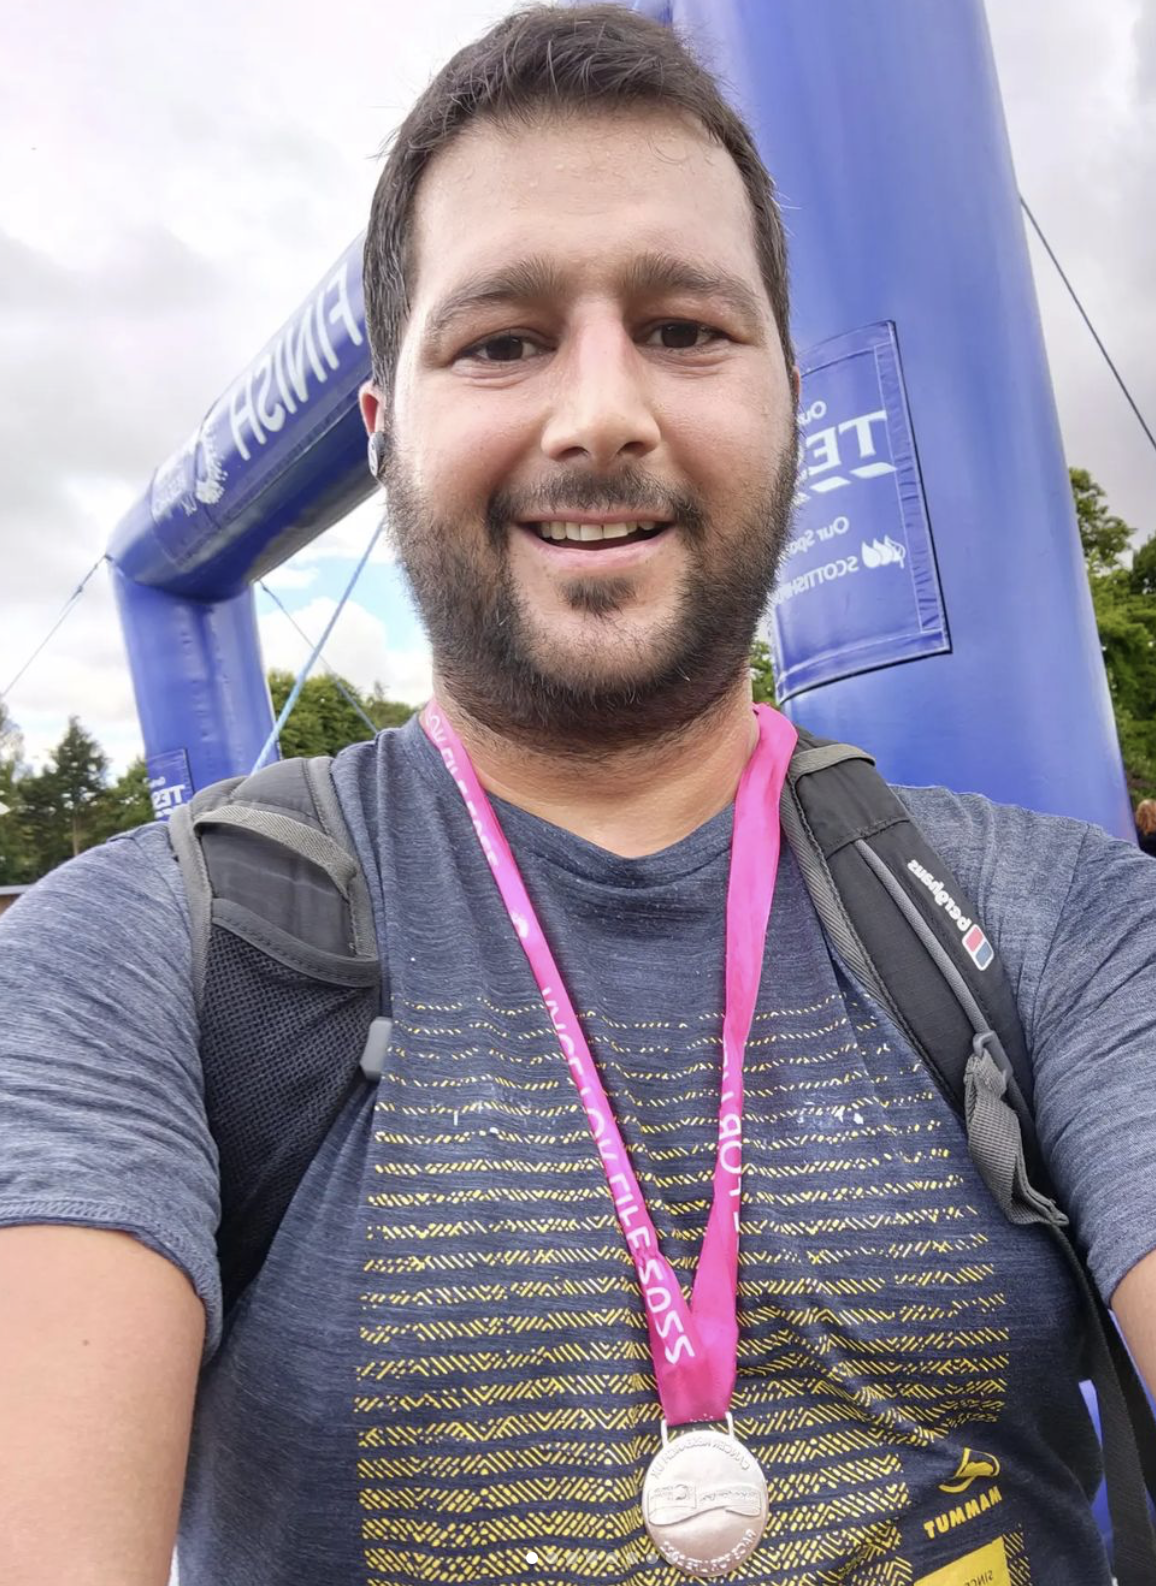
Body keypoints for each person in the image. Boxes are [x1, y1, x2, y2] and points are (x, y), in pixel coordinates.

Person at [2, 7, 1156, 1584]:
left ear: (789, 405)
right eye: (504, 339)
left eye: (686, 328)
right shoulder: (128, 961)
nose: (602, 410)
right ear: (387, 430)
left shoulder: (1067, 922)